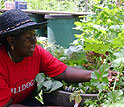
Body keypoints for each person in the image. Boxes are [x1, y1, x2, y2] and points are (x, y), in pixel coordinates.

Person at [0, 9, 117, 107]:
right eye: (28, 37)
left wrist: (97, 75)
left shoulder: (37, 53)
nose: (34, 41)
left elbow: (63, 72)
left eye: (34, 35)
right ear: (11, 40)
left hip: (23, 101)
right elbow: (7, 105)